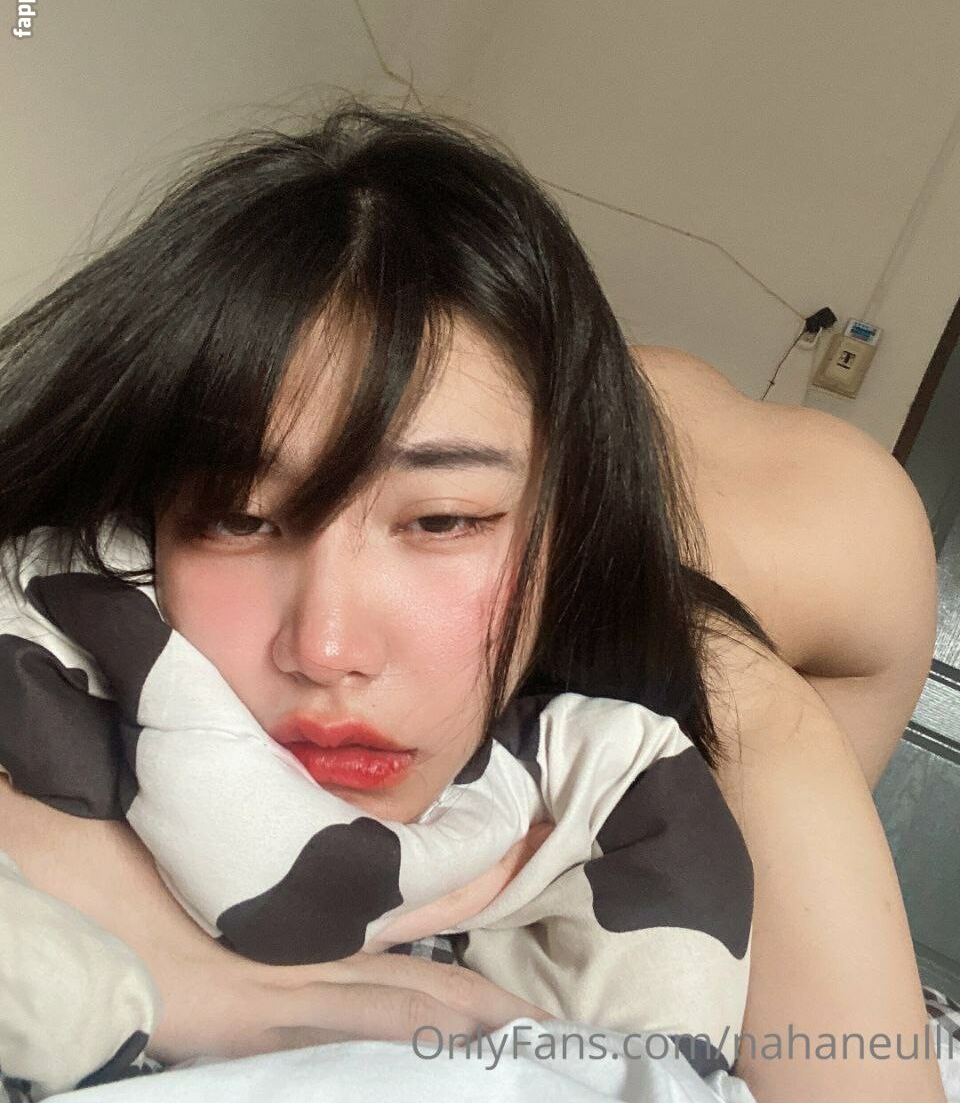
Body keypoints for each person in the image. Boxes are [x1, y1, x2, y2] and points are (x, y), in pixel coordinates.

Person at [0, 100, 945, 1103]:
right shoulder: (80, 582)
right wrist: (157, 960)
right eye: (240, 516)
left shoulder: (742, 664)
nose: (326, 647)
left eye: (444, 520)